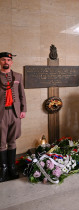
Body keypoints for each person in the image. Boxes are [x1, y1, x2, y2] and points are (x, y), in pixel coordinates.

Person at [0, 52, 26, 182]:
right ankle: (3, 169)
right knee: (1, 142)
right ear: (0, 62)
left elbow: (22, 95)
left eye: (8, 60)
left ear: (11, 62)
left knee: (12, 141)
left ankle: (12, 167)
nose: (6, 62)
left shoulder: (18, 76)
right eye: (3, 59)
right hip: (1, 113)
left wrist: (23, 110)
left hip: (15, 113)